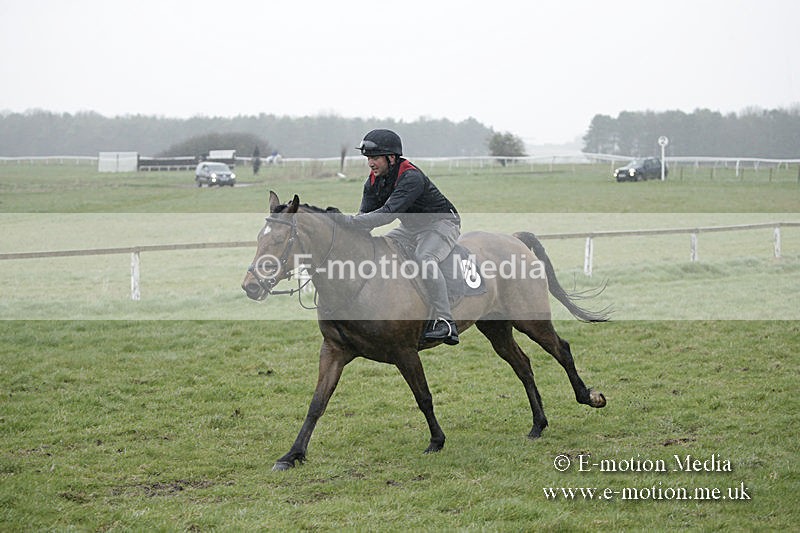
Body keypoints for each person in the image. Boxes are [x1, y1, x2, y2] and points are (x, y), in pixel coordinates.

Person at [339, 129, 460, 345]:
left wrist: (347, 221)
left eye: (375, 158)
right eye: (368, 158)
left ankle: (445, 321)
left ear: (391, 158)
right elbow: (363, 220)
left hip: (441, 223)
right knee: (383, 249)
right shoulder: (373, 181)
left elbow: (386, 215)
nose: (370, 163)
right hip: (410, 228)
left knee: (425, 259)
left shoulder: (411, 177)